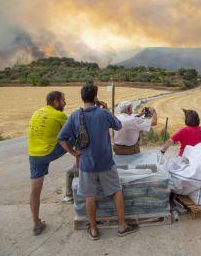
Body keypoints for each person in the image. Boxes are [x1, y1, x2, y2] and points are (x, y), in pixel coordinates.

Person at [57, 84, 139, 240]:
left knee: (89, 196)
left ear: (82, 98)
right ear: (95, 97)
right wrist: (107, 109)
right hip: (106, 162)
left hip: (86, 164)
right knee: (116, 190)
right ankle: (122, 226)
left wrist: (73, 152)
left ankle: (94, 230)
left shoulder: (75, 116)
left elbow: (61, 138)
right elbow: (119, 125)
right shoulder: (103, 113)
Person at [28, 91, 77, 236]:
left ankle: (36, 224)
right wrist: (73, 151)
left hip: (34, 155)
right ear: (55, 102)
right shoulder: (59, 115)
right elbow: (74, 131)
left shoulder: (37, 112)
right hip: (48, 153)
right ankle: (81, 157)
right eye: (63, 100)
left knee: (35, 191)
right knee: (77, 134)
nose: (65, 103)